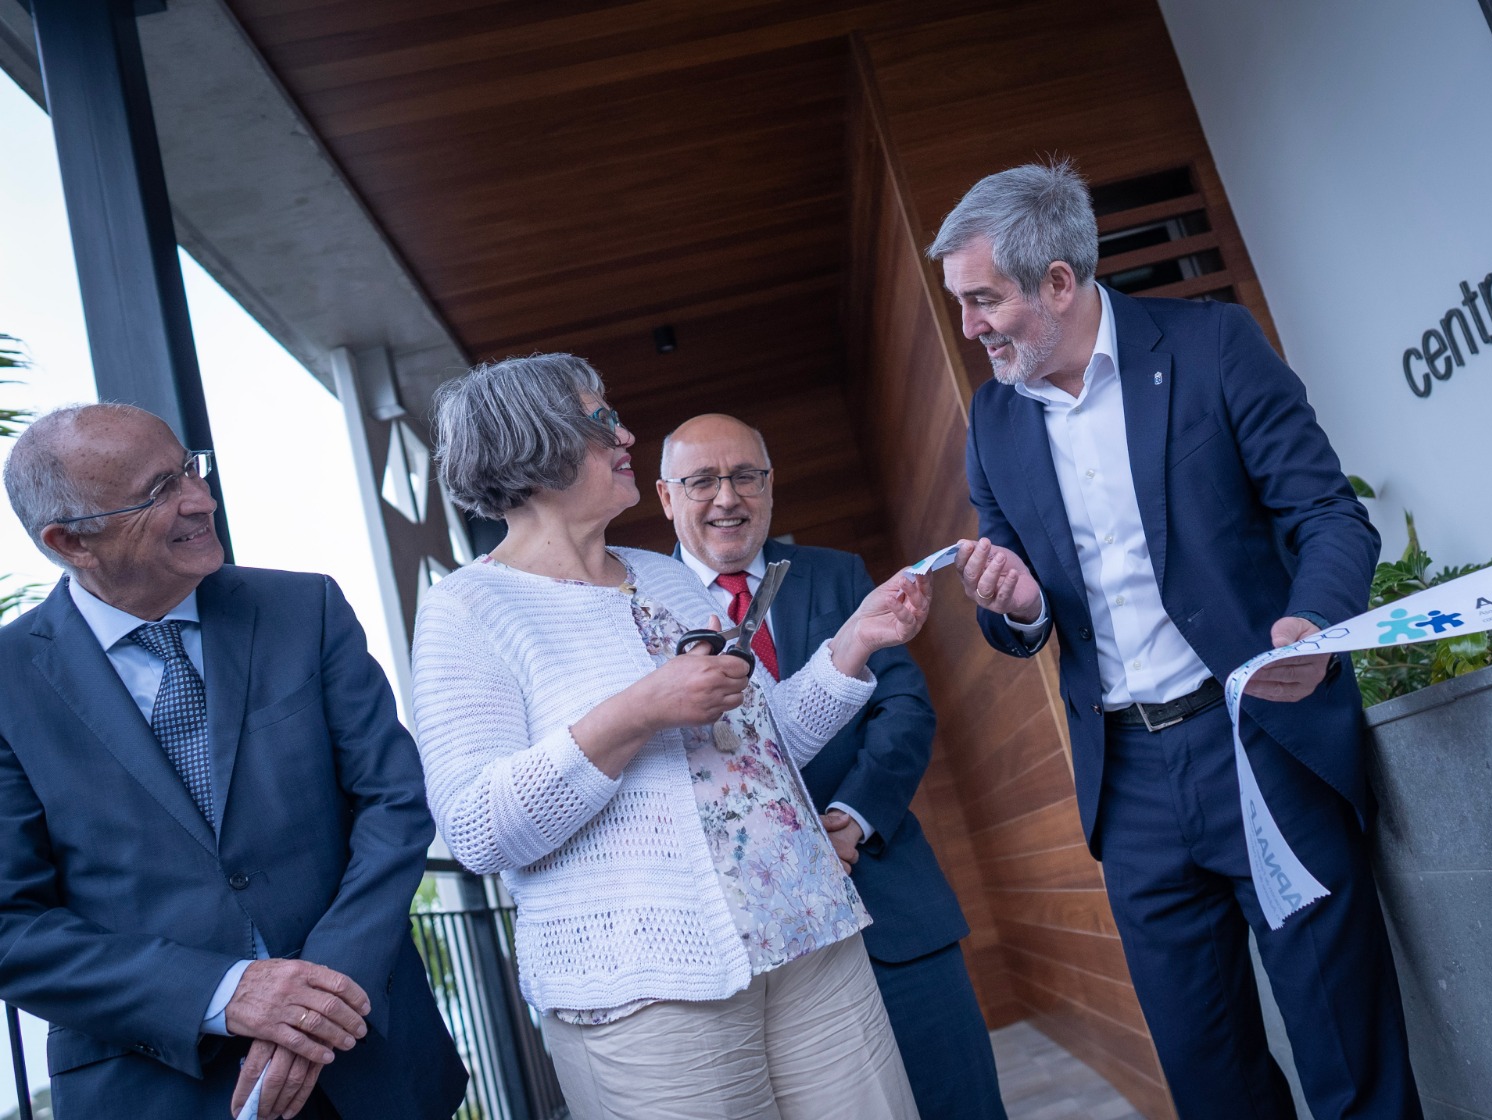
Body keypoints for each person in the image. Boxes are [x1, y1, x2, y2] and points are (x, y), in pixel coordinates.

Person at [927, 162, 1421, 1119]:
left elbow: (1329, 515)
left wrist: (1311, 626)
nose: (971, 324)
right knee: (1210, 1085)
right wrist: (1018, 606)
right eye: (959, 302)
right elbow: (1014, 604)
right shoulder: (992, 420)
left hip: (1260, 745)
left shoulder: (1212, 345)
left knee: (1349, 1063)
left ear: (1058, 282)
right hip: (1131, 790)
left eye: (984, 299)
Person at [410, 354, 931, 1120]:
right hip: (653, 987)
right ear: (533, 441)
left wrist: (855, 641)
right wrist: (639, 710)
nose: (626, 435)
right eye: (600, 420)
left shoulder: (664, 575)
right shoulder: (470, 608)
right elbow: (477, 829)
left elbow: (764, 750)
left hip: (809, 933)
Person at [0, 404, 466, 1120]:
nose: (200, 499)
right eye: (159, 491)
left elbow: (394, 802)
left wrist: (317, 997)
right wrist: (223, 994)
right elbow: (11, 926)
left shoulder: (305, 608)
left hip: (368, 1058)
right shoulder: (8, 682)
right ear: (70, 541)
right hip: (154, 1089)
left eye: (190, 469)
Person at [657, 412, 1007, 1120]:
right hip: (763, 951)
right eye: (701, 481)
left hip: (886, 898)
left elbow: (903, 709)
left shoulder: (838, 573)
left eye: (745, 476)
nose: (727, 497)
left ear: (770, 485)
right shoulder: (644, 606)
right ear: (666, 497)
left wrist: (848, 821)